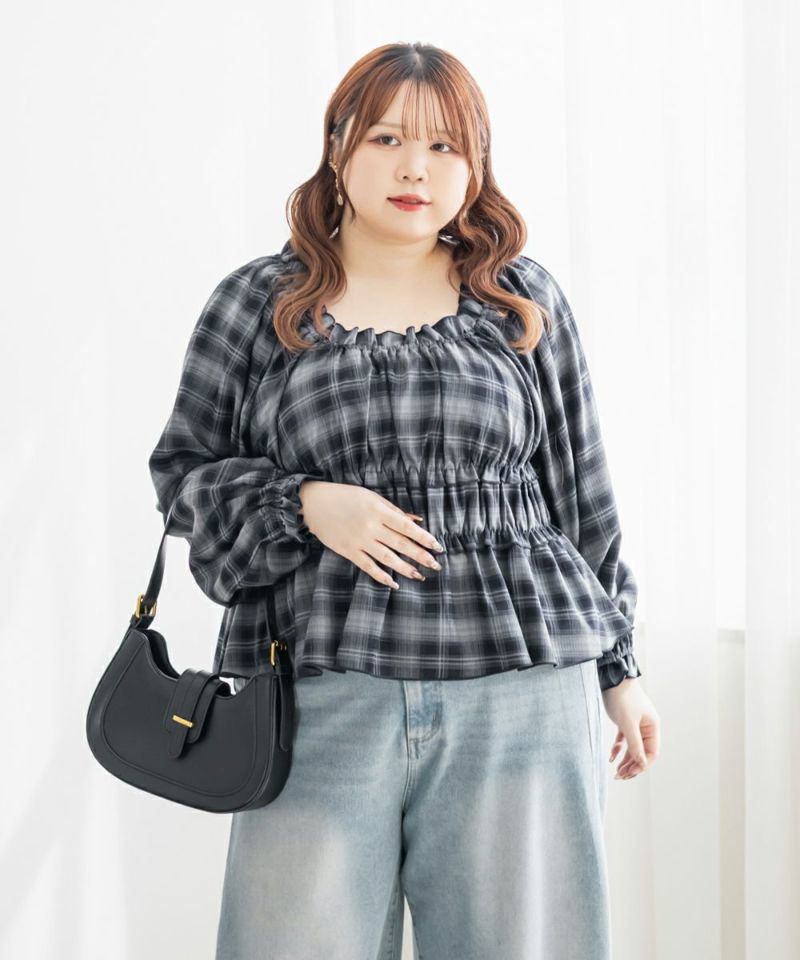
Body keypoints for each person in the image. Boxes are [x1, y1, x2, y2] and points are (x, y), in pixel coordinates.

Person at [148, 41, 661, 960]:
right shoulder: (260, 303)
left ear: (476, 163)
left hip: (519, 692)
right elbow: (181, 475)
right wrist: (305, 503)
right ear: (338, 147)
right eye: (387, 139)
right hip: (316, 690)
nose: (415, 169)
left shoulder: (520, 300)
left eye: (443, 146)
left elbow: (582, 494)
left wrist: (620, 671)